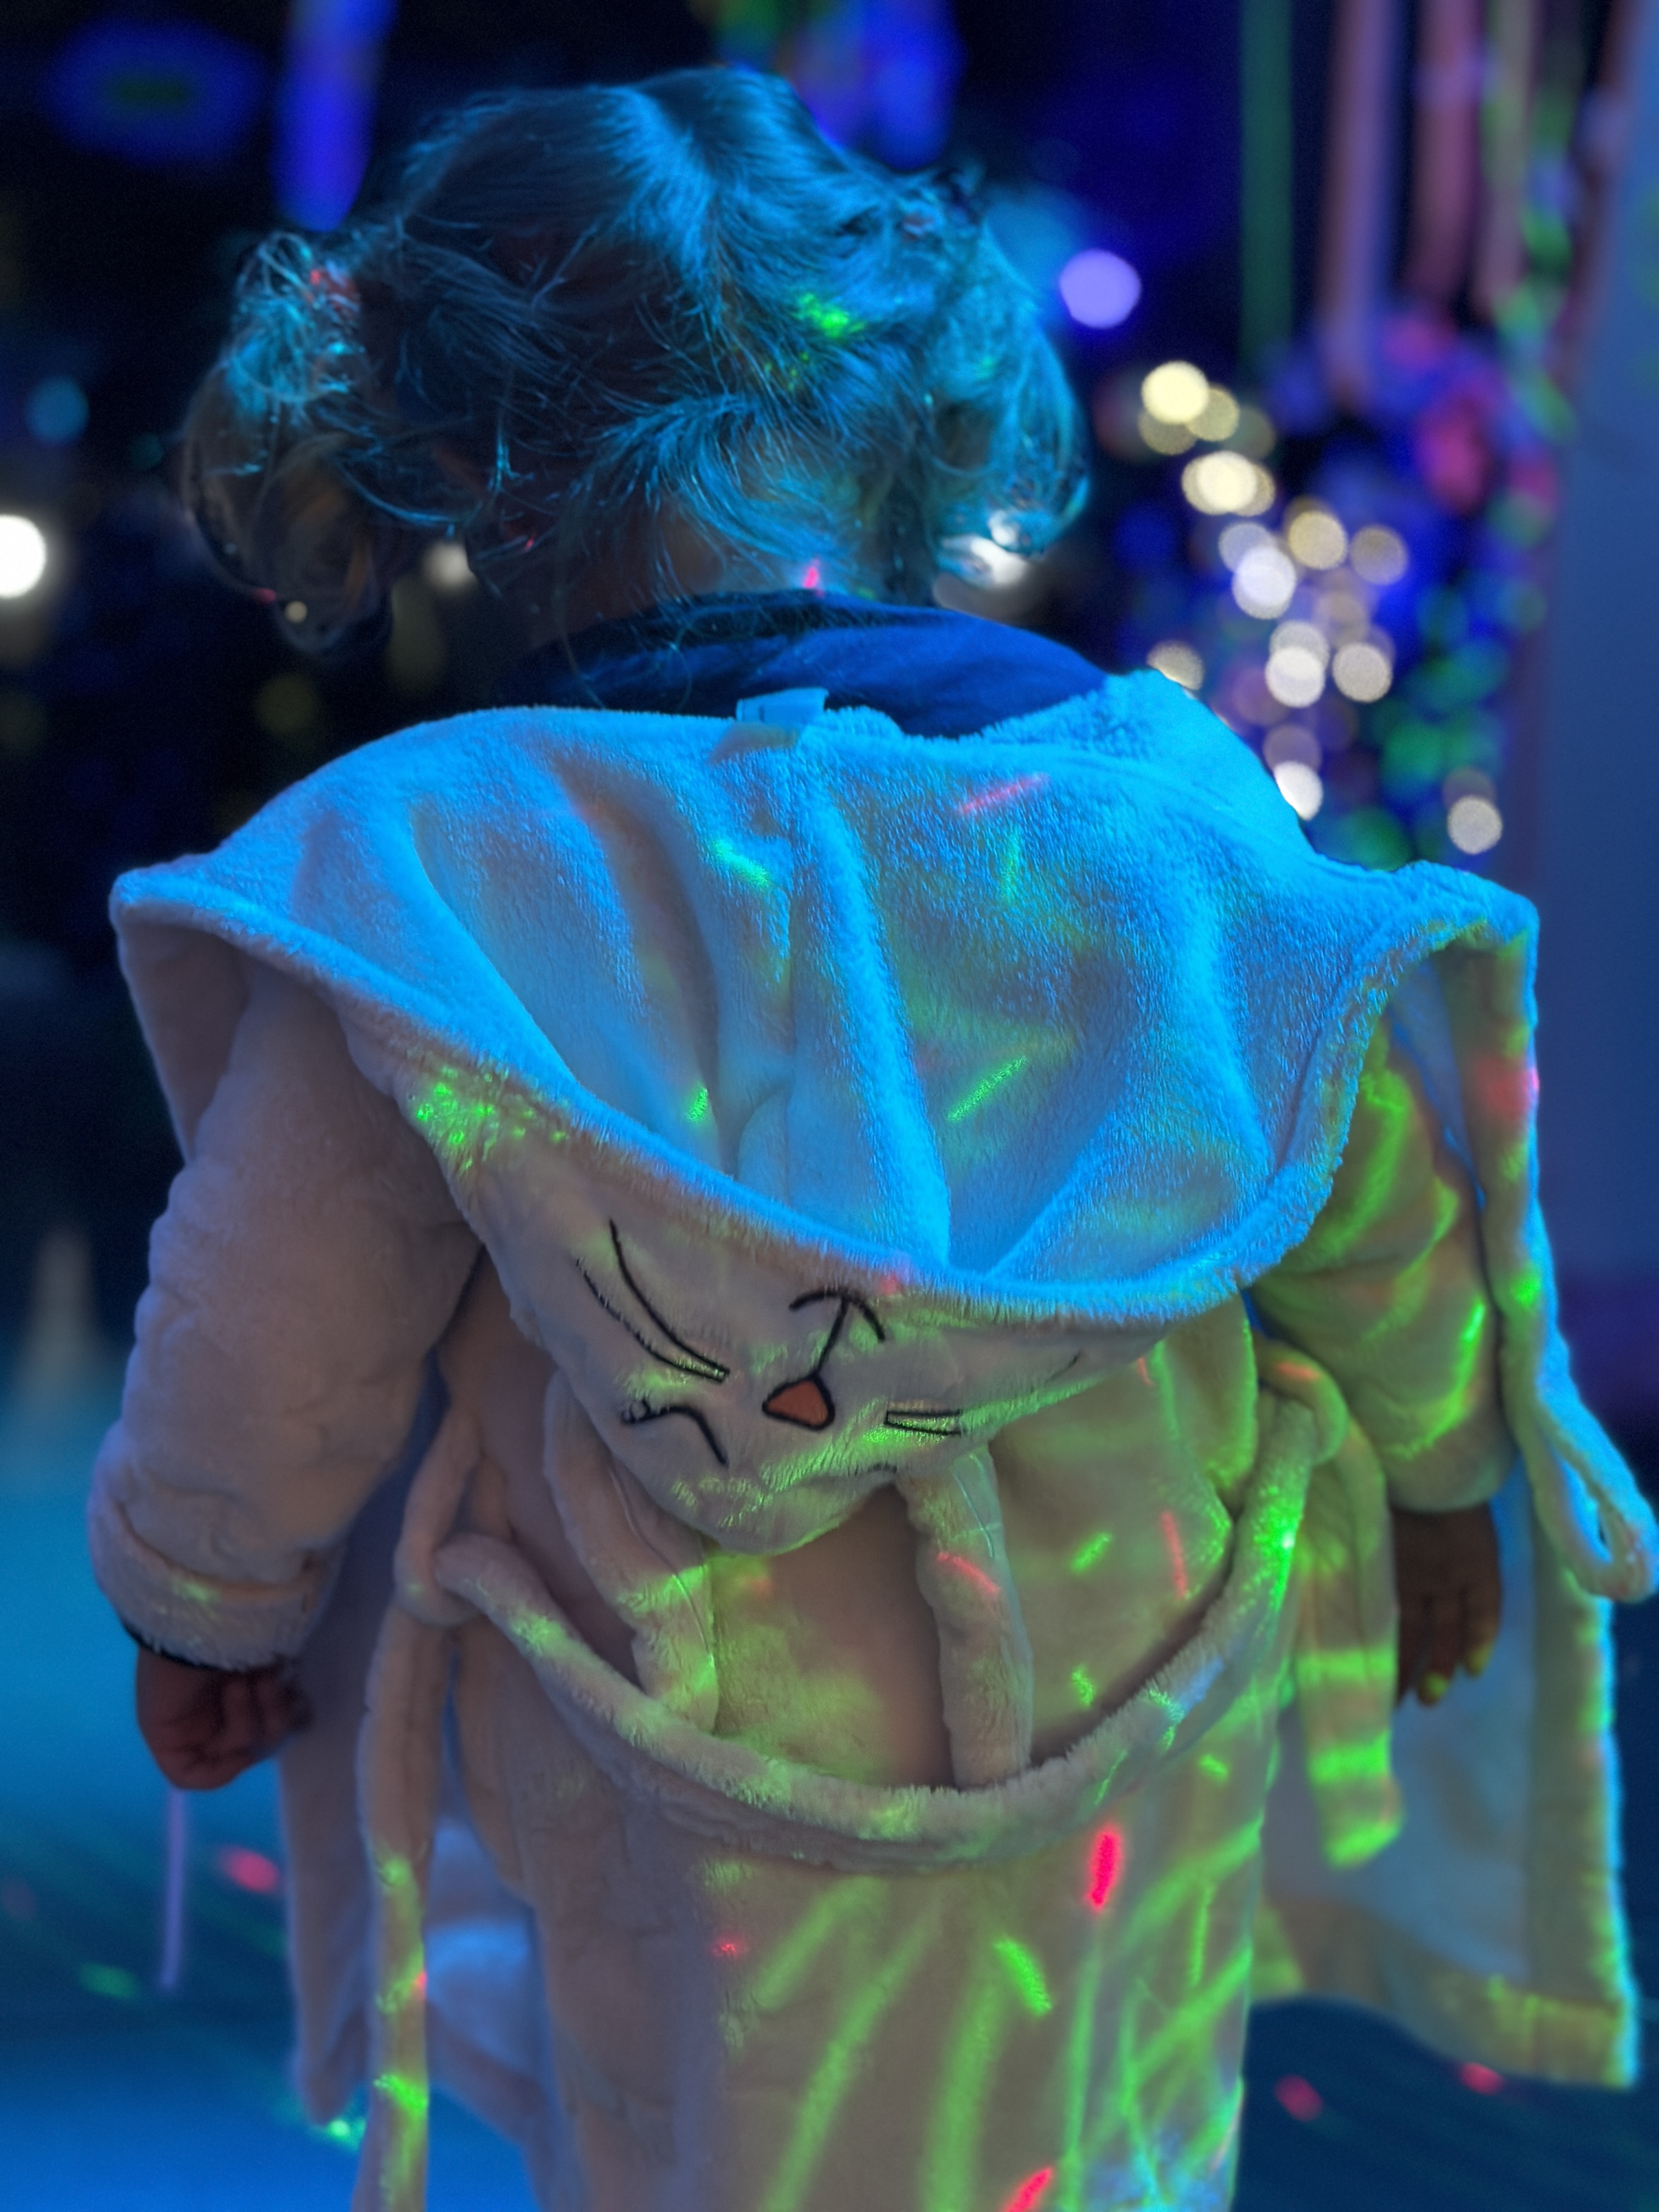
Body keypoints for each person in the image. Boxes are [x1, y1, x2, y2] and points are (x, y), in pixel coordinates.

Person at [91, 68, 1655, 2212]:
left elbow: (273, 1308)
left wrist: (208, 1601)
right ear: (899, 403)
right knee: (1094, 2119)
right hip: (1124, 1671)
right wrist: (1448, 1474)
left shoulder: (436, 878)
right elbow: (1349, 1174)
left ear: (457, 464)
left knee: (682, 2122)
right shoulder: (1144, 813)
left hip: (661, 1715)